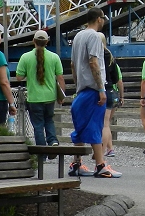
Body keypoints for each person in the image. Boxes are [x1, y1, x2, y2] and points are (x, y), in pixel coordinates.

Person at [68, 9, 121, 178]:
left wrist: (78, 85)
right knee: (95, 127)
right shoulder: (95, 37)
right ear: (99, 19)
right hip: (94, 89)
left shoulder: (78, 36)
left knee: (81, 127)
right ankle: (100, 165)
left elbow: (72, 64)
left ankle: (76, 163)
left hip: (82, 89)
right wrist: (101, 89)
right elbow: (93, 62)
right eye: (103, 18)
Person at [15, 30, 65, 152]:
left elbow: (19, 77)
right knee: (49, 120)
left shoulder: (25, 57)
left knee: (38, 126)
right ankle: (53, 141)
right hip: (50, 96)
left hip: (34, 97)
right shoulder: (54, 57)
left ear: (33, 41)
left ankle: (42, 152)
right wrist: (61, 95)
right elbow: (60, 78)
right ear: (47, 41)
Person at [102, 44, 124, 158]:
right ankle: (109, 148)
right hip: (113, 94)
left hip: (104, 92)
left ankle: (105, 149)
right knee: (107, 123)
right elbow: (119, 81)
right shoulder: (112, 61)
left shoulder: (99, 60)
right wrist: (121, 96)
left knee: (104, 124)